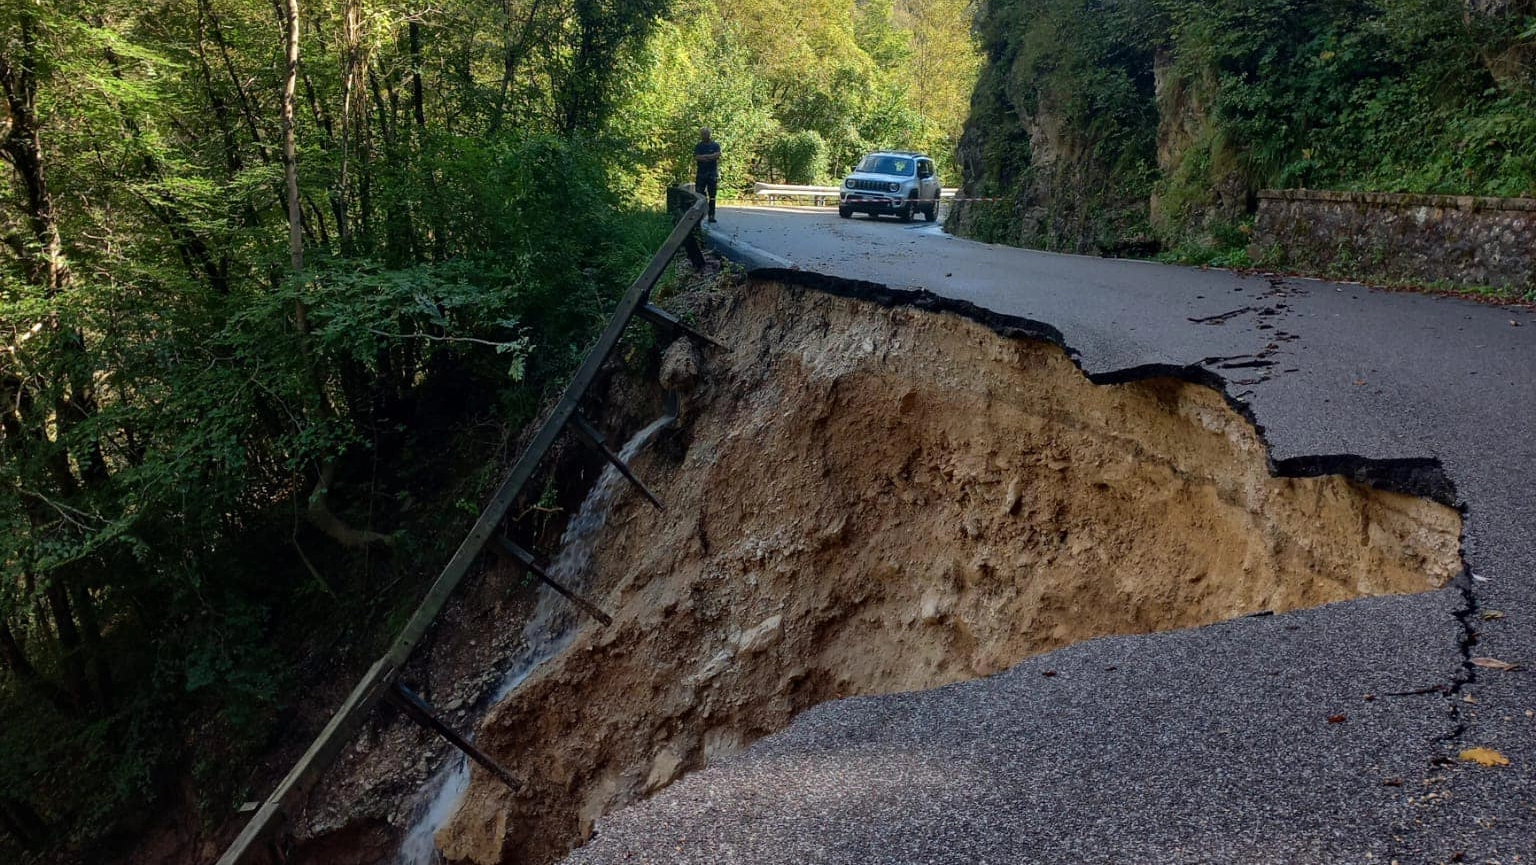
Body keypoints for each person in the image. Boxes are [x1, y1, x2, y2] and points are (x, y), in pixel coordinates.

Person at [693, 127, 721, 223]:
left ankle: (711, 215)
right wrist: (710, 157)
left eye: (706, 134)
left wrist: (705, 156)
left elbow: (717, 155)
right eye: (703, 134)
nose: (704, 136)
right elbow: (697, 157)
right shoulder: (698, 146)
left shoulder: (715, 145)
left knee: (712, 196)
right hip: (701, 174)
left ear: (709, 134)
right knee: (699, 194)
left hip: (712, 173)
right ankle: (699, 216)